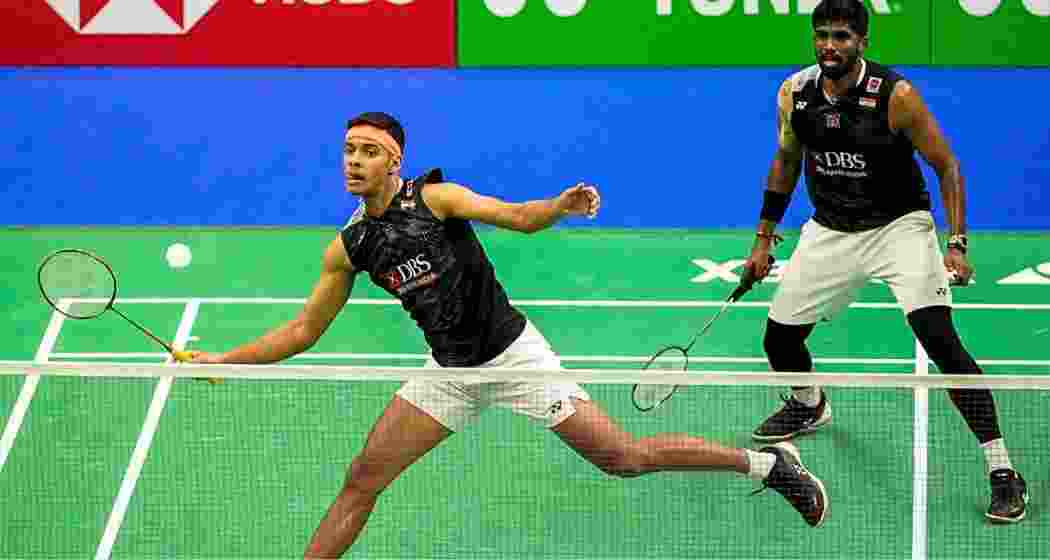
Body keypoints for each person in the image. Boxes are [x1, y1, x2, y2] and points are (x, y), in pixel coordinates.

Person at [186, 111, 829, 558]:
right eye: (348, 150)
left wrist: (559, 206)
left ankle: (769, 465)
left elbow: (517, 217)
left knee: (623, 459)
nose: (354, 161)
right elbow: (303, 330)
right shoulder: (350, 246)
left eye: (368, 151)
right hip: (450, 374)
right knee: (361, 480)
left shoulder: (436, 200)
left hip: (516, 359)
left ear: (395, 161)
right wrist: (223, 359)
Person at [743, 0, 1027, 523]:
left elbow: (947, 166)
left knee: (942, 342)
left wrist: (956, 243)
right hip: (831, 228)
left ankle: (1002, 467)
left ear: (862, 42)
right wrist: (763, 239)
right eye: (822, 35)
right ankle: (809, 403)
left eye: (842, 37)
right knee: (779, 339)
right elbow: (785, 160)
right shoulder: (794, 93)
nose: (830, 45)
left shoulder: (896, 96)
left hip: (899, 227)